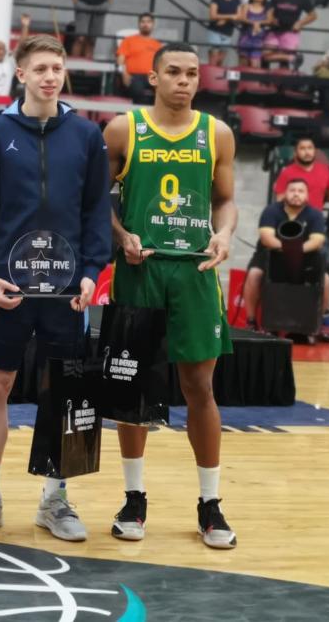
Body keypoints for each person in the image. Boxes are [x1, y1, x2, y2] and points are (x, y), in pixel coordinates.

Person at [0, 34, 110, 541]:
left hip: (69, 290)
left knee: (63, 392)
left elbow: (96, 211)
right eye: (40, 68)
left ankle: (55, 498)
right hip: (10, 287)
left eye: (57, 67)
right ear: (20, 74)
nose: (51, 76)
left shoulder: (88, 136)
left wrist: (93, 271)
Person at [104, 41, 238, 550]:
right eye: (174, 72)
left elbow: (226, 201)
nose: (184, 81)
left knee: (199, 389)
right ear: (153, 78)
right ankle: (134, 497)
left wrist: (224, 235)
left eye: (192, 73)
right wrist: (121, 236)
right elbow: (97, 202)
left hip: (195, 273)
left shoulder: (217, 133)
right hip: (142, 270)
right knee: (134, 389)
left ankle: (209, 503)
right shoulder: (124, 129)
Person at [240, 179, 329, 332]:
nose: (296, 194)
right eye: (292, 190)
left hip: (305, 259)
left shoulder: (315, 215)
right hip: (270, 256)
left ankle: (317, 325)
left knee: (326, 280)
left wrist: (295, 250)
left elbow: (317, 241)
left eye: (301, 191)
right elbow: (266, 238)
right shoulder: (271, 211)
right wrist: (288, 248)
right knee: (254, 274)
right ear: (284, 194)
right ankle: (251, 321)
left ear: (307, 196)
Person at [273, 136, 329, 224]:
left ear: (315, 151)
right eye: (302, 148)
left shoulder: (324, 169)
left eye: (310, 148)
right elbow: (279, 201)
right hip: (292, 220)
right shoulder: (287, 172)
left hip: (316, 219)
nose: (307, 152)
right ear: (295, 153)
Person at [262, 0, 316, 68]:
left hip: (290, 32)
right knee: (264, 57)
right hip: (275, 30)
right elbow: (269, 10)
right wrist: (271, 19)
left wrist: (300, 23)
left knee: (283, 64)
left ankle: (281, 81)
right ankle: (292, 58)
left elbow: (313, 15)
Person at [116, 13, 162, 103]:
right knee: (138, 91)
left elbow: (160, 63)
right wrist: (124, 73)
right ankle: (141, 116)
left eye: (148, 22)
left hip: (152, 76)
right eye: (143, 22)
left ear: (153, 25)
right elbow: (120, 59)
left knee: (165, 91)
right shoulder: (128, 40)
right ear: (139, 24)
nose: (145, 24)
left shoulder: (157, 44)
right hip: (134, 76)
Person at [207, 0, 240, 67]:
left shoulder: (236, 1)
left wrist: (224, 19)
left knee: (222, 55)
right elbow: (212, 15)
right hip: (215, 30)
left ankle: (217, 76)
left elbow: (238, 16)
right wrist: (230, 17)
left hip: (228, 31)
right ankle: (211, 75)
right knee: (214, 53)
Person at [236, 0, 270, 68]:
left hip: (259, 40)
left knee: (255, 65)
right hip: (246, 38)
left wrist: (259, 23)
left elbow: (269, 20)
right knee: (243, 64)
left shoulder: (266, 9)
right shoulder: (246, 6)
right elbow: (242, 18)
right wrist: (254, 23)